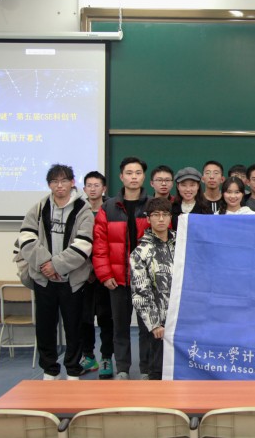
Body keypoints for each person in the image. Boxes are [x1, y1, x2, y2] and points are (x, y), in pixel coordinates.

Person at [19, 164, 93, 380]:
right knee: (45, 328)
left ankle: (73, 370)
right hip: (44, 280)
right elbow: (26, 237)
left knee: (74, 328)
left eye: (64, 181)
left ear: (72, 182)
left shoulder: (83, 210)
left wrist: (57, 265)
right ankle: (50, 370)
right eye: (54, 182)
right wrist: (46, 264)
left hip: (73, 281)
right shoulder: (39, 207)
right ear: (49, 184)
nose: (59, 185)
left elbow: (84, 244)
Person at [93, 156, 151, 380]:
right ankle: (123, 369)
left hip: (146, 280)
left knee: (147, 327)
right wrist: (105, 274)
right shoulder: (108, 208)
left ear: (143, 177)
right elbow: (100, 245)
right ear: (121, 177)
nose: (133, 177)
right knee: (120, 328)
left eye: (138, 173)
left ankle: (146, 370)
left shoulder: (152, 206)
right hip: (117, 279)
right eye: (129, 173)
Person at [129, 197, 176, 380]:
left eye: (165, 214)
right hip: (159, 324)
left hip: (181, 320)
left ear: (170, 217)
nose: (161, 219)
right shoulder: (140, 252)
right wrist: (155, 323)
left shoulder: (182, 243)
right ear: (148, 219)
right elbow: (141, 292)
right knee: (157, 370)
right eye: (156, 215)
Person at [79, 171, 114, 379]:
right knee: (84, 318)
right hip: (82, 274)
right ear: (84, 189)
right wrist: (87, 268)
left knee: (106, 318)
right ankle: (88, 356)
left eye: (97, 185)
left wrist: (99, 269)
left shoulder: (111, 209)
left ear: (104, 188)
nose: (93, 189)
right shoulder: (78, 210)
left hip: (105, 273)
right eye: (89, 185)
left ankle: (107, 357)